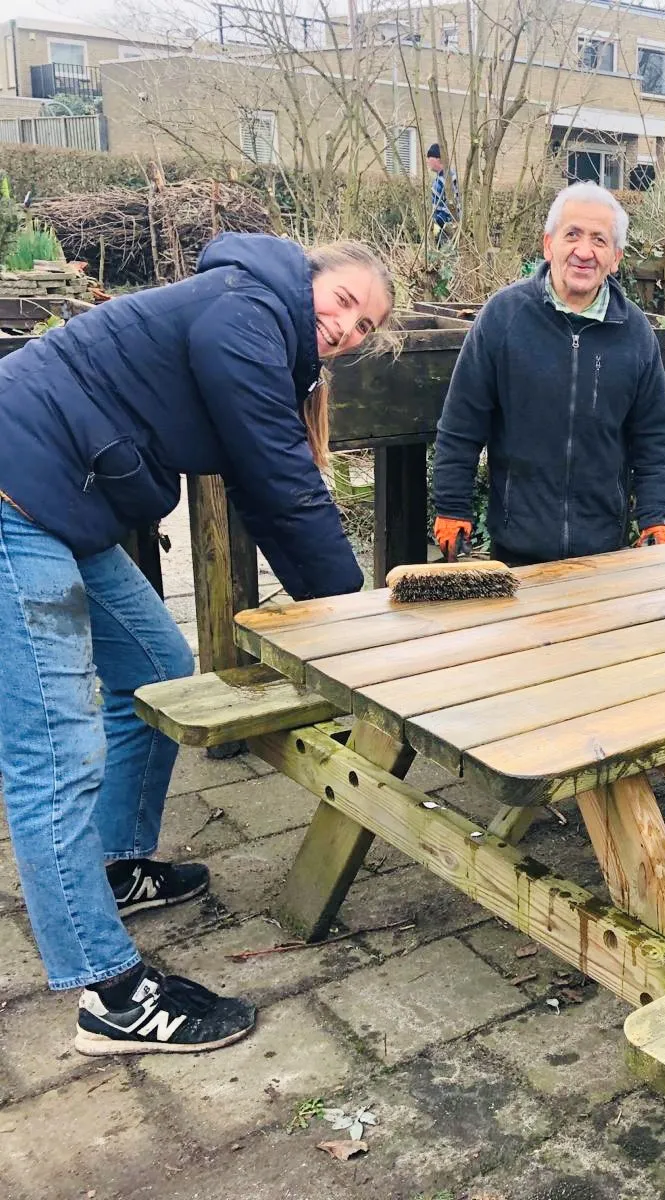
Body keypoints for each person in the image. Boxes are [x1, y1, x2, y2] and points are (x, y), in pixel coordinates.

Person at [0, 233, 393, 1056]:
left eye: (367, 329)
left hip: (58, 498)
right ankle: (109, 996)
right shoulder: (247, 307)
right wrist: (357, 623)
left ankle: (115, 868)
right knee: (53, 756)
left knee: (157, 672)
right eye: (347, 303)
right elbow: (282, 485)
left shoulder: (256, 325)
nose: (350, 331)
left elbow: (268, 479)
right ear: (310, 276)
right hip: (12, 493)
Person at [430, 181, 665, 566]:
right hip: (515, 551)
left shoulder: (636, 334)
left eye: (599, 240)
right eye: (572, 235)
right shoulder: (504, 317)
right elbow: (462, 422)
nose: (584, 251)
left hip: (604, 554)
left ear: (616, 257)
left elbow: (654, 437)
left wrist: (656, 514)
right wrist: (451, 505)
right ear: (549, 244)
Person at [426, 143, 457, 244]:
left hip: (446, 231)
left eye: (430, 157)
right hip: (441, 229)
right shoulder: (440, 178)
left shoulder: (447, 179)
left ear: (438, 159)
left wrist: (438, 223)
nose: (427, 161)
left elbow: (452, 205)